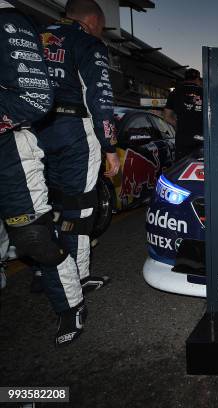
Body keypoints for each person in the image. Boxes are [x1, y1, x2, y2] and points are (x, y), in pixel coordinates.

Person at [0, 0, 85, 345]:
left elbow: (36, 96)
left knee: (34, 238)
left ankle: (71, 305)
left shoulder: (7, 19)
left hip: (7, 149)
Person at [35, 0, 118, 294]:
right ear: (93, 20)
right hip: (74, 134)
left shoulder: (33, 35)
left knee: (46, 206)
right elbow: (101, 100)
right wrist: (110, 148)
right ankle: (78, 278)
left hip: (35, 132)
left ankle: (47, 270)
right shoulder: (87, 43)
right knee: (79, 209)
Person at [164, 68, 203, 160]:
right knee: (201, 166)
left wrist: (179, 125)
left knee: (182, 166)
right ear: (197, 79)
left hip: (183, 137)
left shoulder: (175, 93)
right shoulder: (204, 92)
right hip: (201, 137)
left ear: (185, 78)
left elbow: (167, 116)